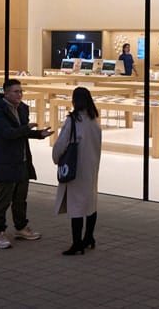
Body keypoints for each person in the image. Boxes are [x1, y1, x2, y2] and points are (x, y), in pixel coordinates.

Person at [0, 79, 54, 249]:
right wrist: (26, 129)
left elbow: (21, 134)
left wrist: (38, 134)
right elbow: (8, 133)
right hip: (7, 161)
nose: (19, 95)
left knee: (20, 198)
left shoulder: (22, 109)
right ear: (6, 93)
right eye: (15, 92)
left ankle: (20, 227)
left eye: (21, 91)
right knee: (3, 199)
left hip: (23, 160)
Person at [52, 86, 103, 255]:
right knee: (90, 203)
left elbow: (61, 145)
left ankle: (77, 243)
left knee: (76, 206)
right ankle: (89, 237)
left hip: (76, 167)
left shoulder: (73, 121)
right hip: (92, 166)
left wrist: (56, 158)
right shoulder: (94, 119)